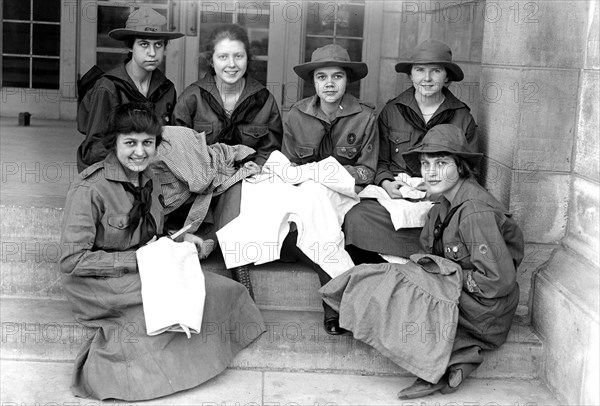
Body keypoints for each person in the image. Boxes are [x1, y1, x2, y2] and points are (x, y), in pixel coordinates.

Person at [60, 103, 265, 401]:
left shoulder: (151, 178)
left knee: (219, 290)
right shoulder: (90, 189)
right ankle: (133, 378)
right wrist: (143, 259)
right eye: (130, 143)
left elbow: (151, 236)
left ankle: (199, 361)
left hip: (144, 267)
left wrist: (178, 242)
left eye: (148, 143)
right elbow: (72, 261)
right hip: (95, 282)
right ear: (113, 143)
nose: (140, 152)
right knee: (165, 310)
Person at [321, 124, 524, 399]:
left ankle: (441, 363)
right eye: (426, 164)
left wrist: (445, 281)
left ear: (461, 166)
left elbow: (497, 281)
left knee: (398, 291)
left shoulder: (475, 212)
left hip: (486, 311)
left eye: (441, 163)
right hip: (465, 299)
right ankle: (459, 354)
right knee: (380, 279)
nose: (431, 172)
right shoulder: (442, 206)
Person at [172, 24, 283, 297]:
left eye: (238, 56)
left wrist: (257, 169)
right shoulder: (193, 96)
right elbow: (176, 146)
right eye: (223, 57)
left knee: (237, 190)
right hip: (200, 178)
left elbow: (271, 147)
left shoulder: (263, 99)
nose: (231, 65)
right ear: (211, 60)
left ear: (248, 59)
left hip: (247, 178)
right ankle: (234, 263)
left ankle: (236, 265)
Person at [343, 39, 478, 264]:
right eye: (420, 70)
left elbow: (470, 173)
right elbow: (379, 161)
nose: (427, 78)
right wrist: (386, 183)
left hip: (439, 201)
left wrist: (437, 189)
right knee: (356, 216)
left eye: (435, 71)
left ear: (447, 78)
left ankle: (421, 264)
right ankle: (381, 271)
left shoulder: (462, 117)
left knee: (451, 222)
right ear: (410, 75)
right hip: (394, 198)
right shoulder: (392, 111)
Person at [281, 43, 378, 335]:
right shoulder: (296, 115)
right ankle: (340, 304)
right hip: (307, 196)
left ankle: (337, 303)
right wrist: (310, 179)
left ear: (348, 80)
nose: (329, 83)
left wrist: (328, 175)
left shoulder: (365, 117)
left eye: (337, 76)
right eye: (322, 77)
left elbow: (367, 170)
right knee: (314, 212)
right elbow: (287, 169)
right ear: (313, 82)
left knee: (316, 224)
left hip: (348, 195)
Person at [76, 7, 183, 172]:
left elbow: (169, 140)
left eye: (159, 45)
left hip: (154, 173)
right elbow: (93, 150)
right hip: (113, 173)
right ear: (130, 46)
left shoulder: (167, 89)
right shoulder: (108, 87)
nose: (152, 53)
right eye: (144, 44)